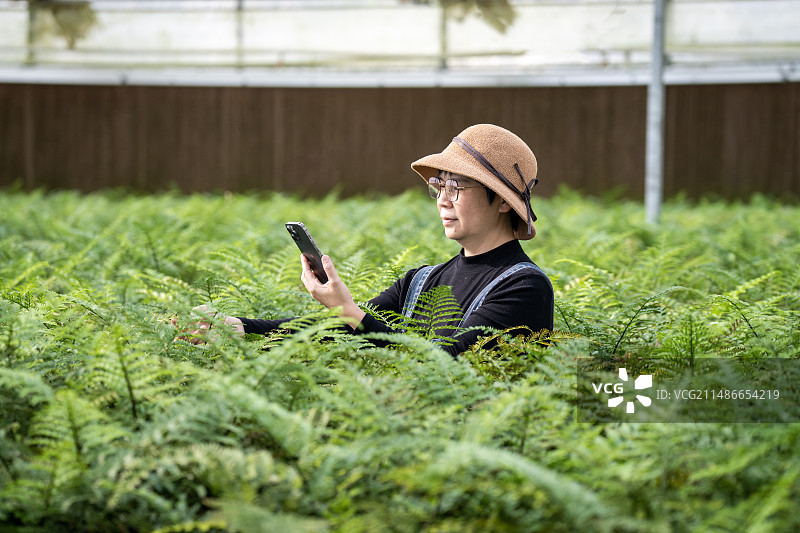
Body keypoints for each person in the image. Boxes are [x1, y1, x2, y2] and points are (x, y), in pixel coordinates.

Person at [186, 124, 554, 357]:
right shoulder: (420, 281)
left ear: (504, 201)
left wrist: (348, 311)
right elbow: (342, 333)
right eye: (439, 185)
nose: (442, 199)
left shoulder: (524, 287)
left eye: (456, 186)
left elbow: (444, 363)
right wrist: (241, 326)